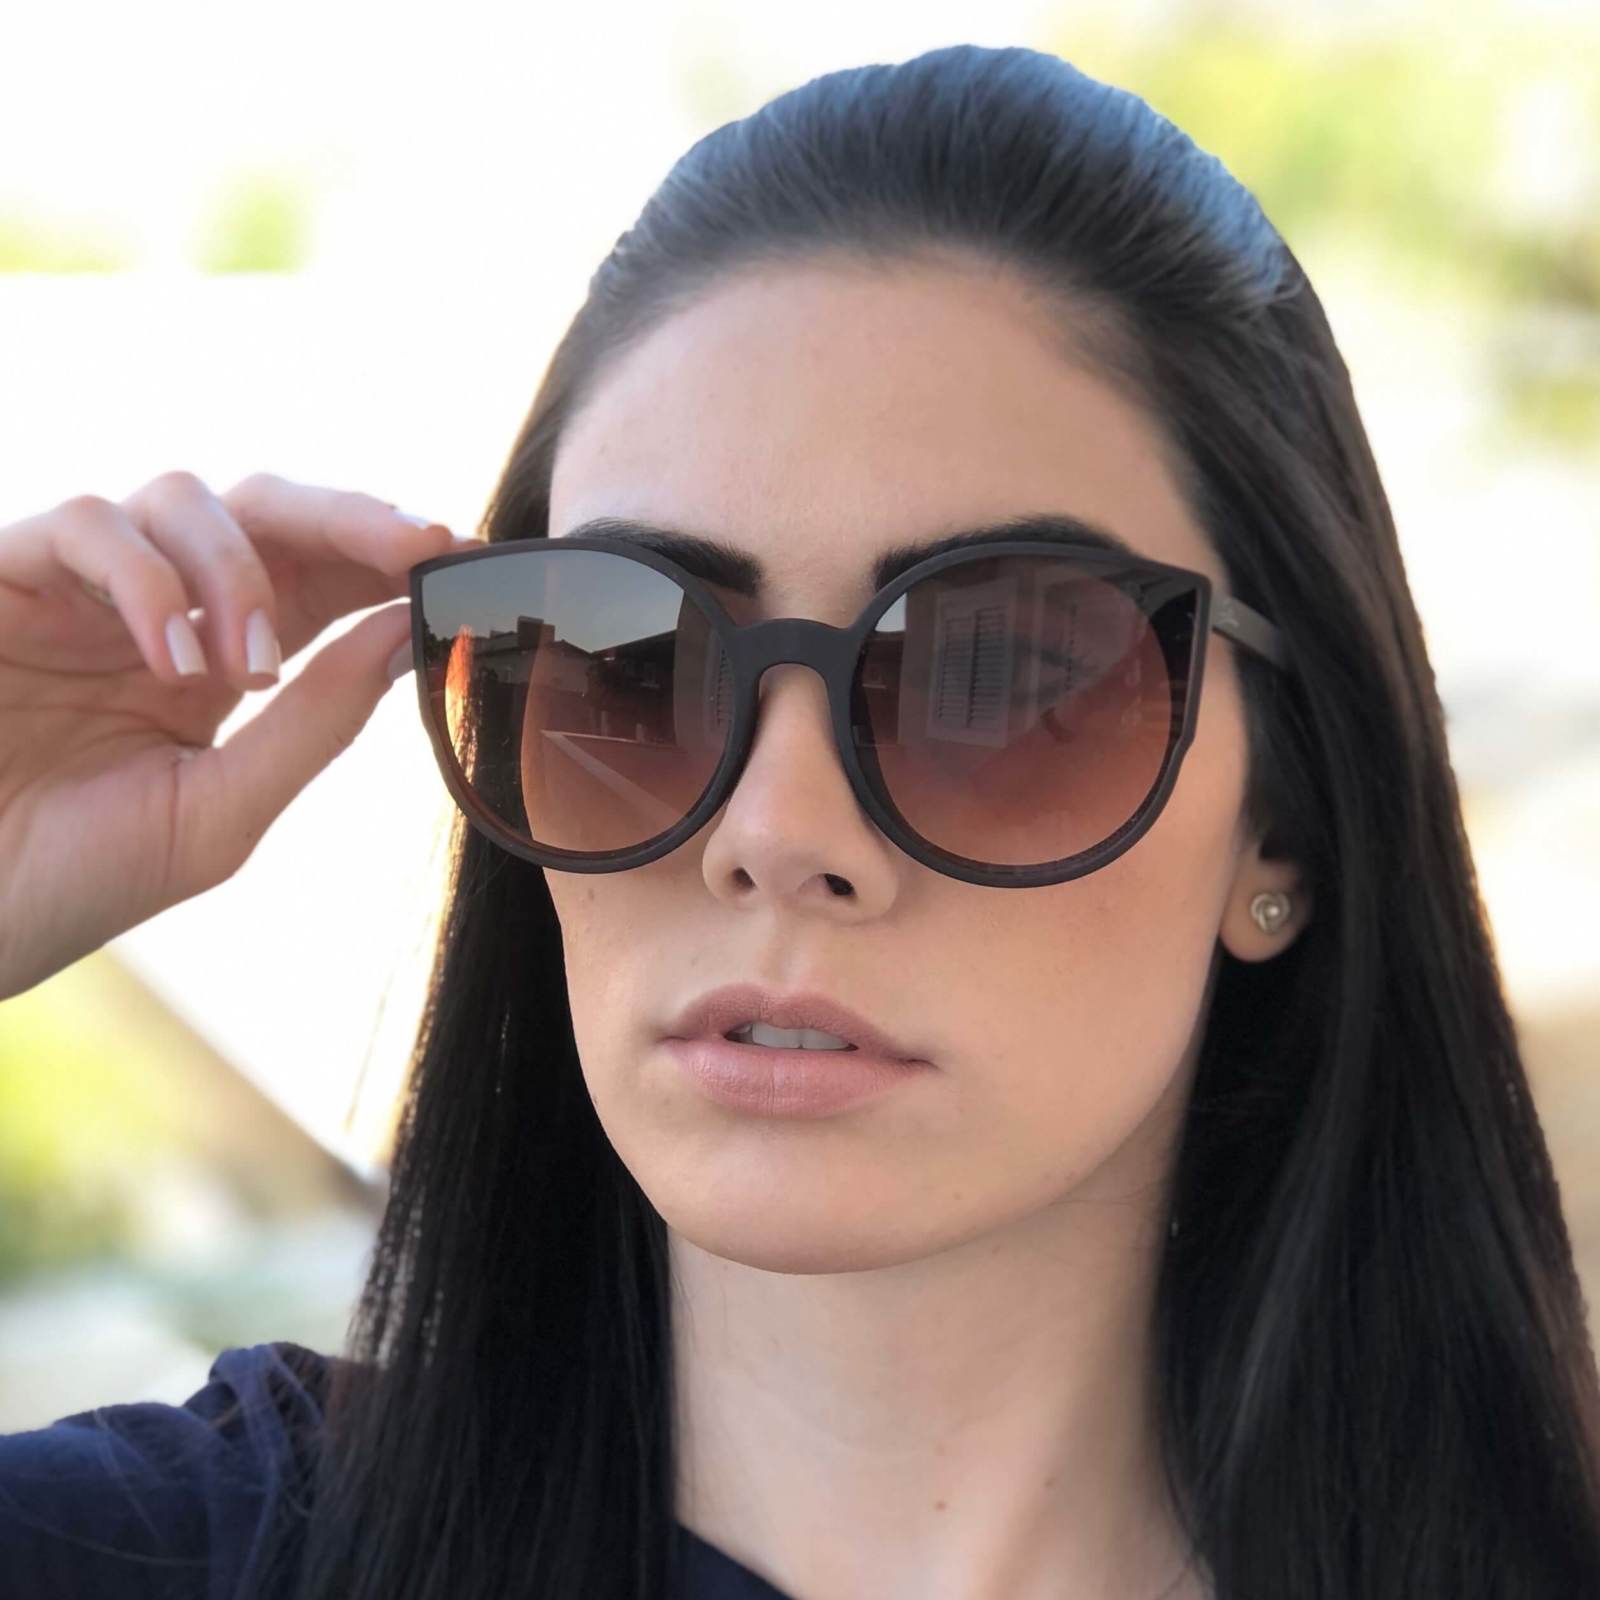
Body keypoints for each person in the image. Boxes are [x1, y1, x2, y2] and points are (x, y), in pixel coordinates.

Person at [1, 39, 1597, 1600]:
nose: (773, 830)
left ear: (1283, 827)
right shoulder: (179, 1554)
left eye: (997, 678)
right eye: (633, 666)